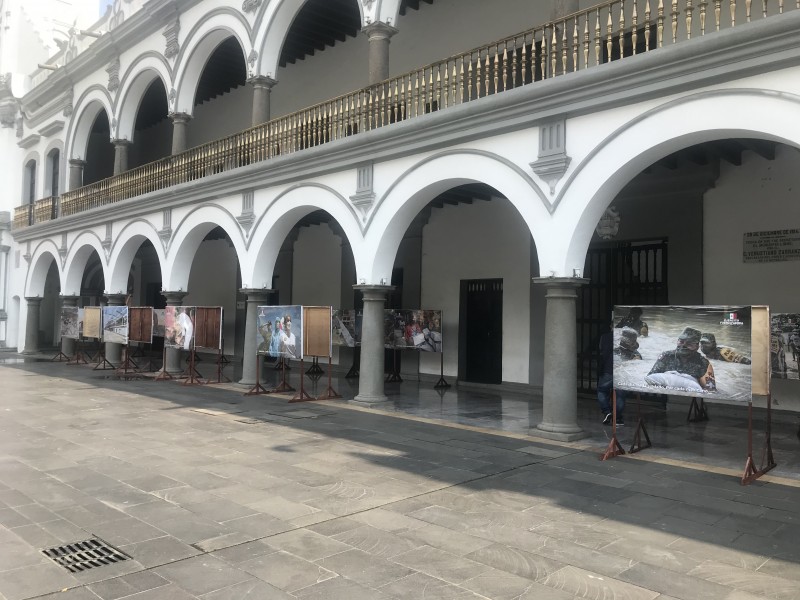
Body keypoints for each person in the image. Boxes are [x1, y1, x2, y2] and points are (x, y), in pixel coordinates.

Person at [646, 327, 716, 392]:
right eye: (681, 342)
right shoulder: (666, 356)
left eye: (689, 344)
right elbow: (650, 379)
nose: (683, 346)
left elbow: (710, 390)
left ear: (697, 346)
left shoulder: (703, 363)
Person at [597, 323, 637, 425]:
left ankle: (607, 412)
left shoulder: (605, 337)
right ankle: (618, 418)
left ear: (611, 326)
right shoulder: (628, 337)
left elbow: (602, 351)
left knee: (602, 391)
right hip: (623, 371)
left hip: (608, 368)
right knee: (620, 396)